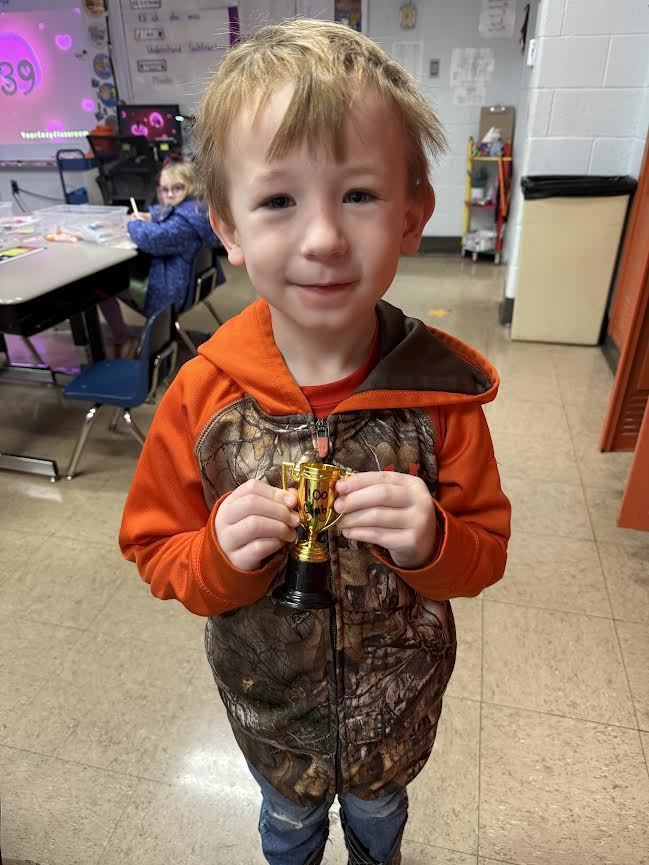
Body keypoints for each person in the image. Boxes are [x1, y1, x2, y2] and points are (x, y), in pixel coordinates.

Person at [119, 19, 511, 865]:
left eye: (359, 195)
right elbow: (155, 549)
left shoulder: (441, 396)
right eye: (278, 200)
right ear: (226, 225)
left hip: (394, 716)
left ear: (414, 213)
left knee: (378, 822)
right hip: (271, 721)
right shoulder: (200, 396)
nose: (325, 237)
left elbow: (484, 554)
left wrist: (435, 539)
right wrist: (216, 554)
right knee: (287, 830)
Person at [99, 160, 223, 355]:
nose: (170, 194)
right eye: (165, 190)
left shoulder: (183, 223)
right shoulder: (197, 208)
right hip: (190, 283)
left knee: (102, 288)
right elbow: (166, 211)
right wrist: (151, 216)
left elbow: (152, 239)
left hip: (169, 290)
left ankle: (123, 339)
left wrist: (133, 224)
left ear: (190, 185)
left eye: (177, 188)